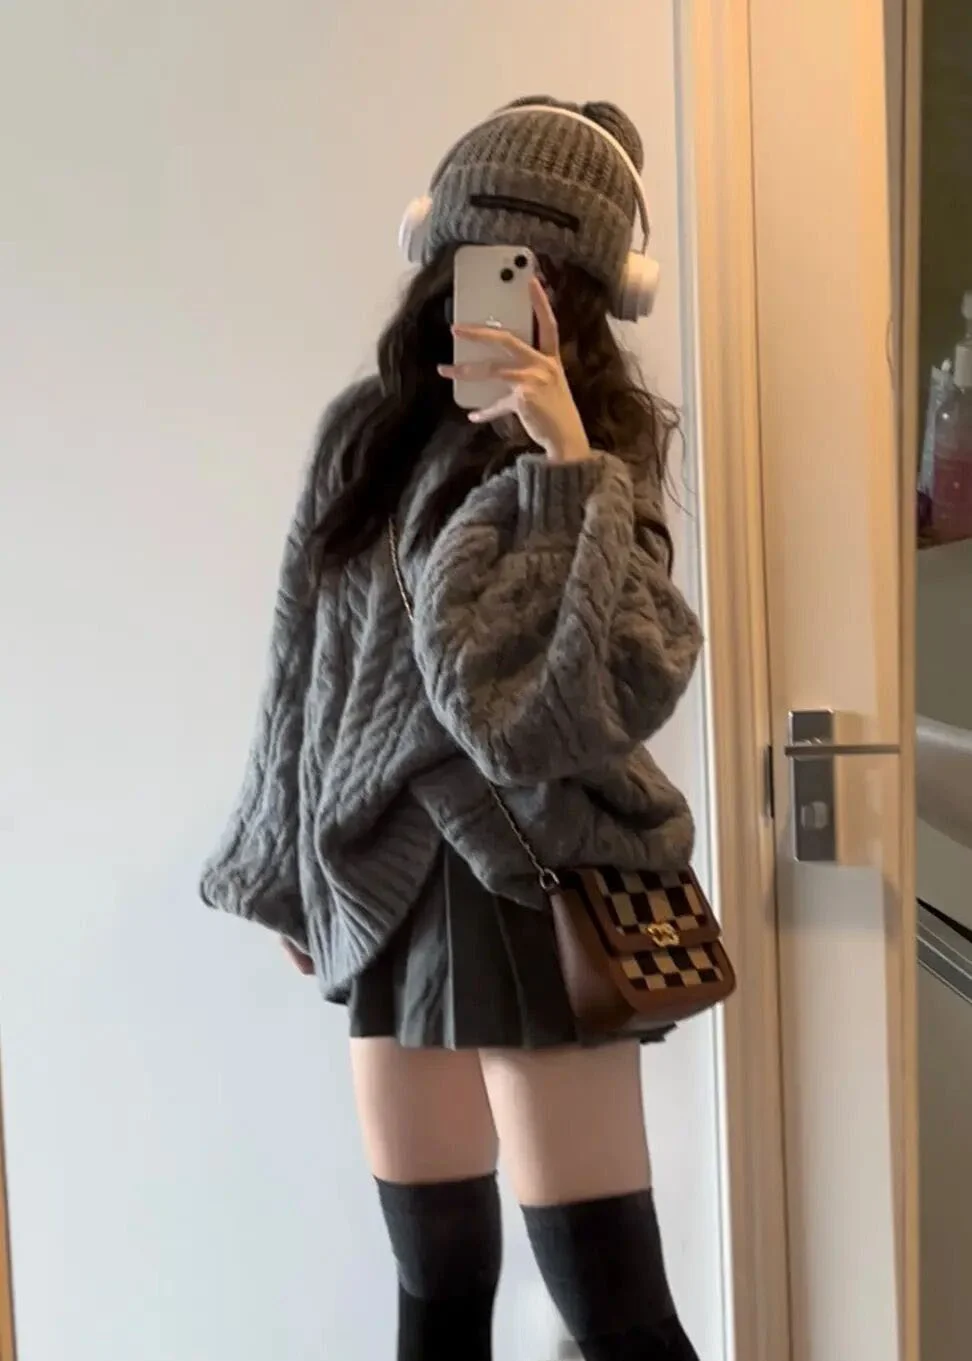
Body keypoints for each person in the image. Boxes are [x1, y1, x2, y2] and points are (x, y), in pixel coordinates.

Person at [202, 95, 704, 1361]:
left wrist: (565, 467)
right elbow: (303, 668)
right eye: (484, 260)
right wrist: (280, 870)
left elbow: (566, 711)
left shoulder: (604, 448)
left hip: (535, 882)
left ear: (591, 294)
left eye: (541, 274)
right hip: (385, 883)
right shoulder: (363, 437)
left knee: (614, 1307)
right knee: (435, 1295)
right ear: (440, 251)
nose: (503, 296)